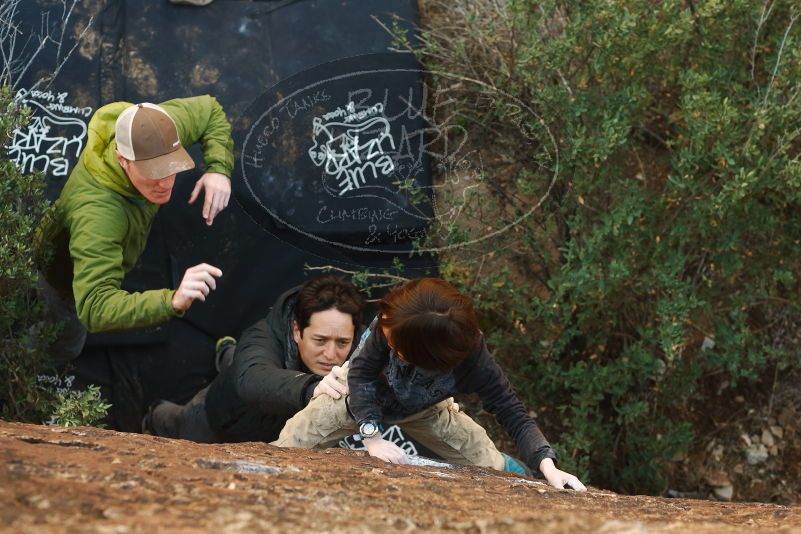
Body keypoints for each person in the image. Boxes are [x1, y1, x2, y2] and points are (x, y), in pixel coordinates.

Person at [274, 278, 587, 490]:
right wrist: (371, 435)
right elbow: (362, 375)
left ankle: (524, 474)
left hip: (424, 406)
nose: (385, 339)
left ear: (430, 357)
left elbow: (511, 411)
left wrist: (549, 467)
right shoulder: (390, 322)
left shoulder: (471, 356)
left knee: (487, 462)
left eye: (397, 348)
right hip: (354, 397)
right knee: (293, 441)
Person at [35, 96, 234, 360]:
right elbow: (94, 307)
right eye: (153, 172)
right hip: (61, 278)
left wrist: (218, 169)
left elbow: (210, 110)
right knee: (62, 340)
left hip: (111, 235)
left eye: (172, 167)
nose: (165, 183)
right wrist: (171, 300)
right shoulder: (98, 215)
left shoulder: (159, 129)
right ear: (122, 159)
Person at [143, 275, 365, 443]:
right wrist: (312, 387)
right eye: (320, 340)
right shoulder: (263, 336)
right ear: (297, 331)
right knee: (176, 421)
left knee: (237, 358)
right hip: (225, 414)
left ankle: (227, 352)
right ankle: (155, 415)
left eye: (342, 343)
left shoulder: (361, 344)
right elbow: (252, 378)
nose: (330, 354)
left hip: (278, 430)